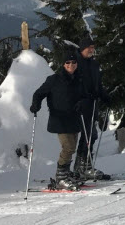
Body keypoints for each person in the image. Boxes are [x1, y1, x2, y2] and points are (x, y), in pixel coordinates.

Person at [30, 54, 84, 189]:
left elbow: (85, 95)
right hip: (59, 119)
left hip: (74, 118)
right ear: (63, 64)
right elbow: (39, 93)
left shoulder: (79, 79)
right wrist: (36, 105)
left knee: (71, 149)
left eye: (73, 62)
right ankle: (60, 177)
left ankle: (65, 173)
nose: (70, 65)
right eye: (67, 62)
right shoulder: (54, 79)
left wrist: (83, 102)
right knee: (68, 147)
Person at [73, 35, 111, 180]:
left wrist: (104, 95)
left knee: (90, 135)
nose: (92, 50)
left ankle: (82, 166)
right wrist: (79, 97)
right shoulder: (75, 62)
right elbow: (72, 83)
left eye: (93, 48)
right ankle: (84, 166)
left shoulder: (94, 64)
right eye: (90, 48)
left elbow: (98, 85)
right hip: (82, 104)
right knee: (88, 135)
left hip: (93, 103)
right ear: (83, 48)